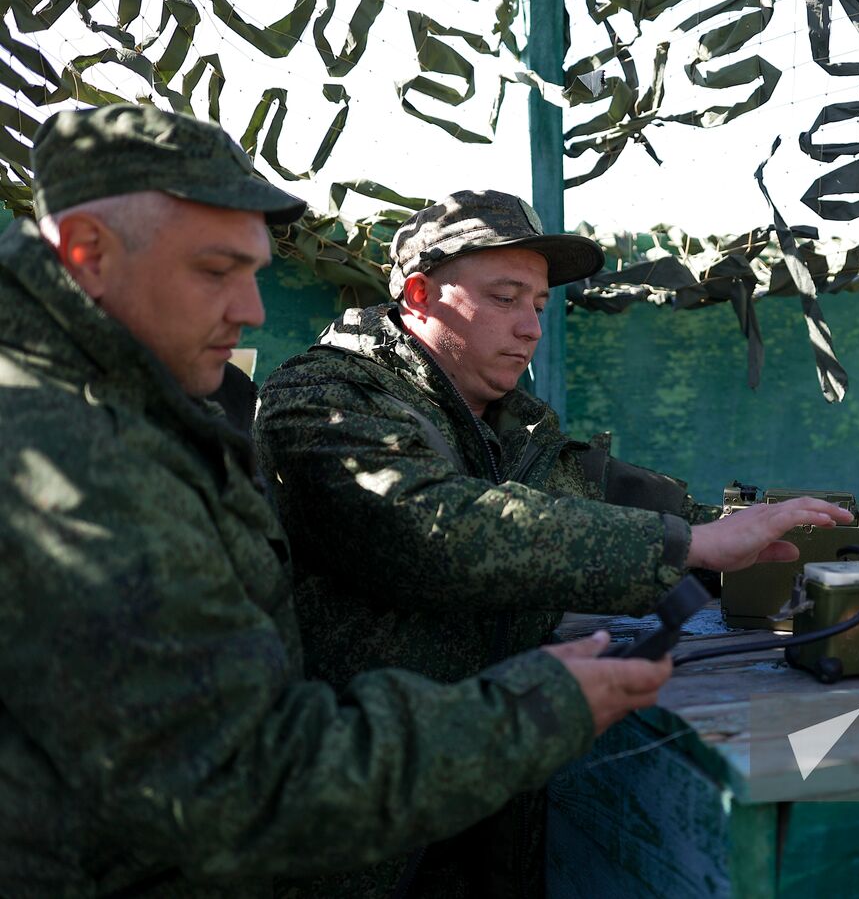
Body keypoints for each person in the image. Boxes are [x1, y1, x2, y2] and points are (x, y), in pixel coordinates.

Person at [0, 104, 679, 897]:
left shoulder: (128, 409)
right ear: (88, 253)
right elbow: (240, 780)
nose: (252, 310)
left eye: (254, 272)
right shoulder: (67, 453)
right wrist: (532, 708)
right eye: (217, 270)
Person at [252, 189, 852, 896]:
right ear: (419, 295)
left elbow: (604, 499)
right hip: (357, 830)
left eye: (537, 304)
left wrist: (756, 539)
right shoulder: (322, 396)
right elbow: (433, 528)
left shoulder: (512, 424)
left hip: (487, 815)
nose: (531, 326)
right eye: (505, 298)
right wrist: (684, 544)